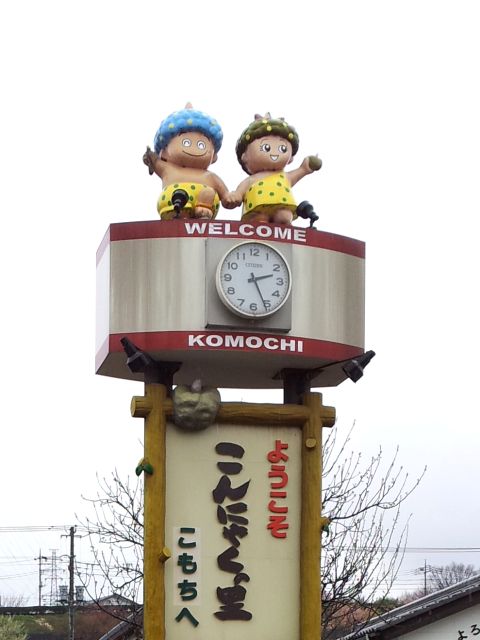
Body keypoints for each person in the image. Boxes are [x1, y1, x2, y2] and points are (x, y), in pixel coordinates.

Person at [225, 113, 322, 225]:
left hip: (283, 206)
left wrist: (306, 168)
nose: (274, 153)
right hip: (257, 207)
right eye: (266, 147)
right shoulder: (252, 179)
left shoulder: (285, 177)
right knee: (259, 221)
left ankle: (283, 233)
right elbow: (240, 191)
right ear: (245, 156)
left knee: (284, 217)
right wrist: (236, 195)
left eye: (282, 148)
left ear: (291, 158)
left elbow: (301, 171)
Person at [143, 104, 233, 220]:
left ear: (214, 156)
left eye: (201, 145)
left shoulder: (210, 177)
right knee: (177, 197)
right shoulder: (167, 169)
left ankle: (202, 212)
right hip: (171, 202)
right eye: (186, 142)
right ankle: (179, 214)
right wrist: (149, 157)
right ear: (163, 152)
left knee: (209, 192)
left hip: (205, 206)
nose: (194, 148)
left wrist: (229, 197)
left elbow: (225, 194)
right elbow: (153, 160)